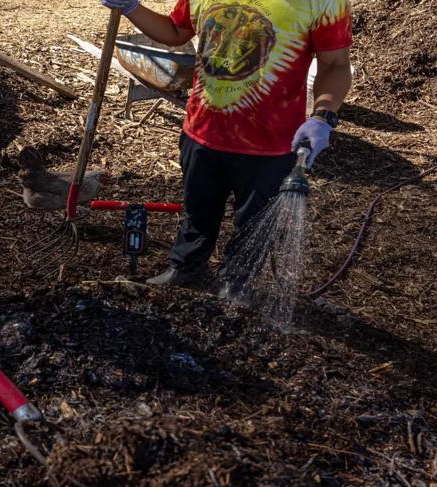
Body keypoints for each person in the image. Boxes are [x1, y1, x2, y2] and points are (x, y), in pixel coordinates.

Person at [100, 0, 352, 290]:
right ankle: (186, 269)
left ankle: (237, 285)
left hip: (269, 143)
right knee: (197, 211)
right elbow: (175, 31)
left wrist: (322, 116)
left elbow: (335, 64)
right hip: (202, 131)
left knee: (254, 224)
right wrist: (131, 7)